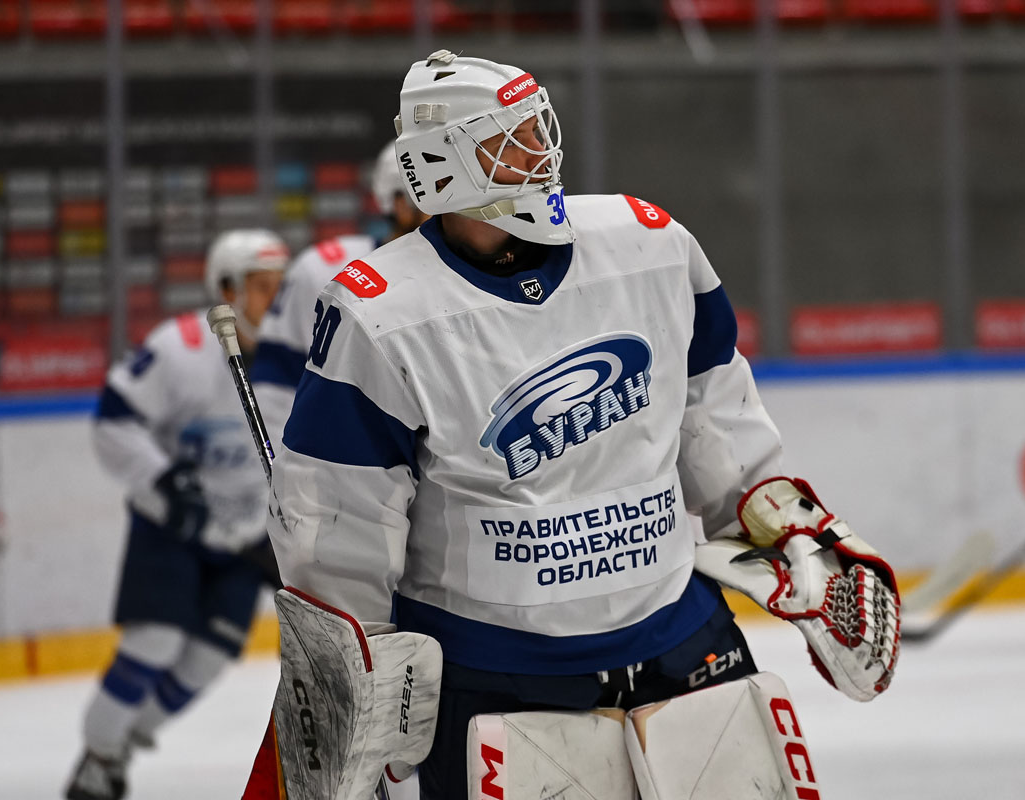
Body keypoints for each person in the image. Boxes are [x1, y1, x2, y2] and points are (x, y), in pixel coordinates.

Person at [248, 51, 901, 800]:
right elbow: (340, 521)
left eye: (537, 127)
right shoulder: (379, 313)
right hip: (496, 674)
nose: (540, 150)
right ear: (442, 165)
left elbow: (713, 407)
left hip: (682, 636)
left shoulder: (648, 244)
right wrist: (350, 673)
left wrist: (785, 528)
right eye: (509, 138)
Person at [64, 230, 289, 800]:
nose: (276, 298)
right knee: (155, 643)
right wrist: (164, 480)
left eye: (279, 285)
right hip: (171, 529)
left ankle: (121, 746)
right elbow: (114, 421)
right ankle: (97, 756)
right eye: (262, 286)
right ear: (227, 289)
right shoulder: (180, 348)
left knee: (205, 662)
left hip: (244, 540)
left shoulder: (296, 356)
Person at [251, 140, 429, 440]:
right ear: (400, 203)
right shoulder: (323, 270)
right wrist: (288, 462)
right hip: (348, 458)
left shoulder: (488, 271)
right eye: (438, 194)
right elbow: (277, 384)